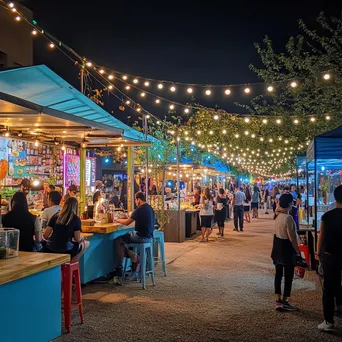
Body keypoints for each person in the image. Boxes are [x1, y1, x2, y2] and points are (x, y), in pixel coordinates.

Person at [316, 185, 342, 332]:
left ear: (335, 197)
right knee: (338, 282)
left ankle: (328, 320)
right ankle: (340, 305)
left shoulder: (327, 216)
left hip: (330, 255)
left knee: (329, 287)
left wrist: (318, 252)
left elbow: (321, 237)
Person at [113, 192, 155, 276]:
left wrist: (116, 219)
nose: (136, 202)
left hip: (140, 236)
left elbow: (127, 223)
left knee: (118, 240)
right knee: (126, 239)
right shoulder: (150, 208)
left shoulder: (139, 209)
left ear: (138, 199)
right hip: (149, 237)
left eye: (136, 200)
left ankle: (119, 268)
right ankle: (134, 256)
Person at [271, 193, 301, 312]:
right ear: (289, 203)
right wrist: (297, 251)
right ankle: (286, 299)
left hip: (277, 247)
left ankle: (278, 300)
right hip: (287, 249)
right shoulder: (288, 218)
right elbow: (292, 238)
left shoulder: (277, 215)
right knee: (288, 275)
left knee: (278, 274)